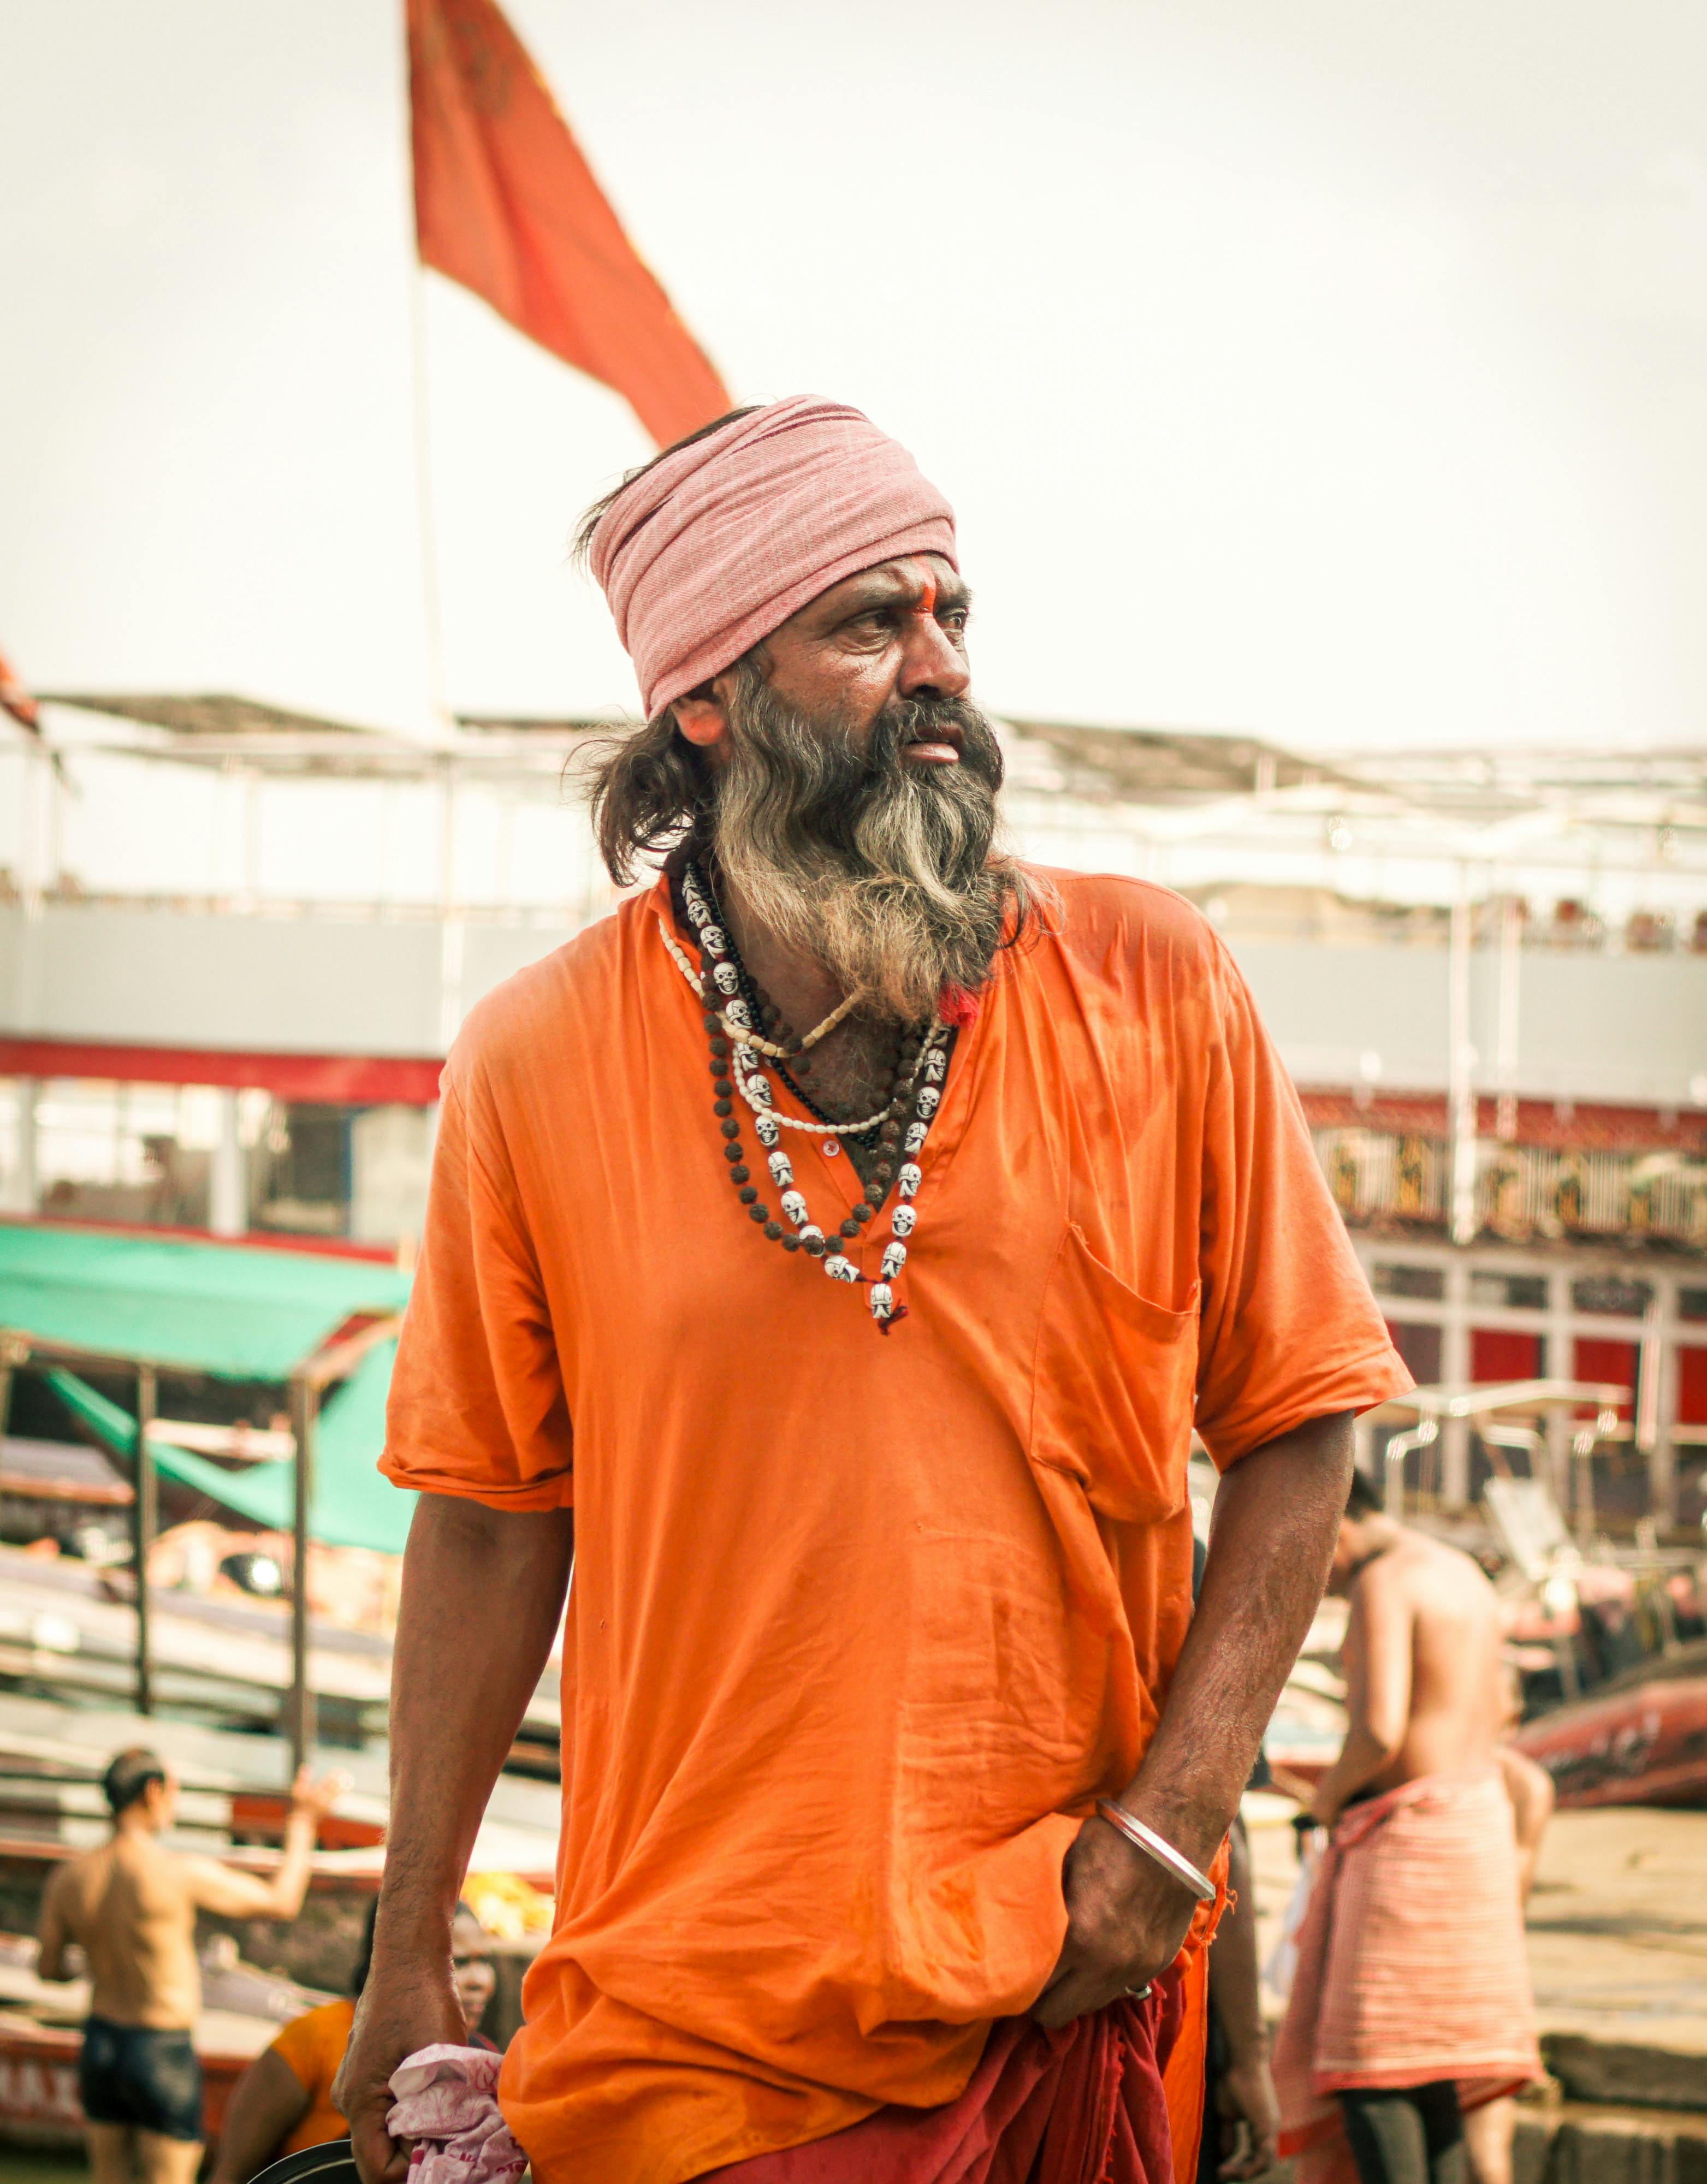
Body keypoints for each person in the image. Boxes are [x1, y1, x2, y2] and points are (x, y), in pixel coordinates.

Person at [335, 395, 1412, 2184]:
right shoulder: (531, 1060)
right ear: (705, 698)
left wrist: (1172, 1834)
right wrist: (402, 1947)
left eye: (950, 617)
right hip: (685, 2024)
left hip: (1072, 1985)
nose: (939, 673)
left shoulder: (1153, 981)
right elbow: (487, 1521)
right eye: (866, 624)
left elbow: (1298, 1424)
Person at [1273, 1473, 1542, 2184]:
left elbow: (1378, 1730)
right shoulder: (1461, 1573)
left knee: (1371, 2063)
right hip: (1472, 1823)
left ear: (1337, 1522)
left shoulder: (1384, 1581)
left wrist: (1323, 1804)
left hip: (1410, 1840)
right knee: (1430, 2069)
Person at [37, 1748, 346, 2184]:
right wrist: (304, 1819)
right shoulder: (174, 1873)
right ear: (153, 1791)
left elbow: (47, 1968)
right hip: (159, 2048)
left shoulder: (69, 1878)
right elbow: (282, 1900)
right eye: (174, 1792)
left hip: (101, 2042)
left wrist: (96, 1962)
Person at [210, 1902, 497, 2184]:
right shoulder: (316, 2036)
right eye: (458, 1962)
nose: (480, 1980)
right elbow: (230, 2175)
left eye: (483, 1960)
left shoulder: (481, 2060)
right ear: (397, 1968)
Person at [1461, 1688, 1555, 2184]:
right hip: (1459, 1960)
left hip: (1487, 1968)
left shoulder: (1522, 1783)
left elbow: (1512, 1891)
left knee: (1487, 2157)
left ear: (1512, 1714)